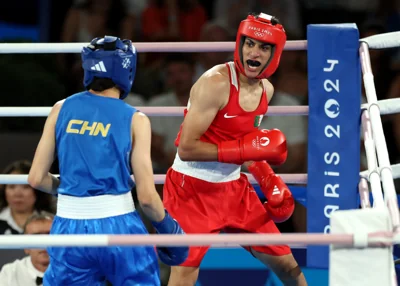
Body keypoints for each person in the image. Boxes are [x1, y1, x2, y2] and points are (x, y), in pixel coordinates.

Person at [28, 35, 188, 285]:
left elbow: (36, 178)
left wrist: (74, 188)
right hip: (119, 226)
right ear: (127, 69)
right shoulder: (136, 119)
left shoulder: (61, 108)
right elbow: (146, 197)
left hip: (70, 228)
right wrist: (170, 230)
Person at [163, 13, 307, 285]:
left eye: (264, 47)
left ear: (275, 54)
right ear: (240, 45)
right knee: (184, 275)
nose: (255, 52)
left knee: (288, 267)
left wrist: (268, 178)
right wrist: (242, 150)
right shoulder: (215, 83)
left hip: (234, 188)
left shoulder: (267, 90)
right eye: (250, 44)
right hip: (190, 189)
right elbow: (186, 148)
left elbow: (248, 145)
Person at [0, 160, 55, 235]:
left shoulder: (53, 221)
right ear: (4, 191)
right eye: (11, 187)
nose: (18, 194)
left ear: (37, 191)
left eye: (25, 187)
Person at [0, 212, 53, 286]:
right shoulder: (10, 272)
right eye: (36, 237)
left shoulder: (72, 271)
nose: (44, 243)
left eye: (49, 235)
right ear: (26, 246)